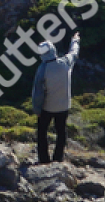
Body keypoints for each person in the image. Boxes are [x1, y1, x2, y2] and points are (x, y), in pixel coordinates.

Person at [30, 32, 80, 164]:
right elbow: (74, 53)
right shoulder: (65, 62)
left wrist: (37, 110)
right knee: (61, 133)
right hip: (63, 106)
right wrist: (75, 40)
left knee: (42, 133)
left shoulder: (42, 69)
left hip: (47, 107)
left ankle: (44, 159)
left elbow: (38, 93)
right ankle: (58, 159)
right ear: (53, 50)